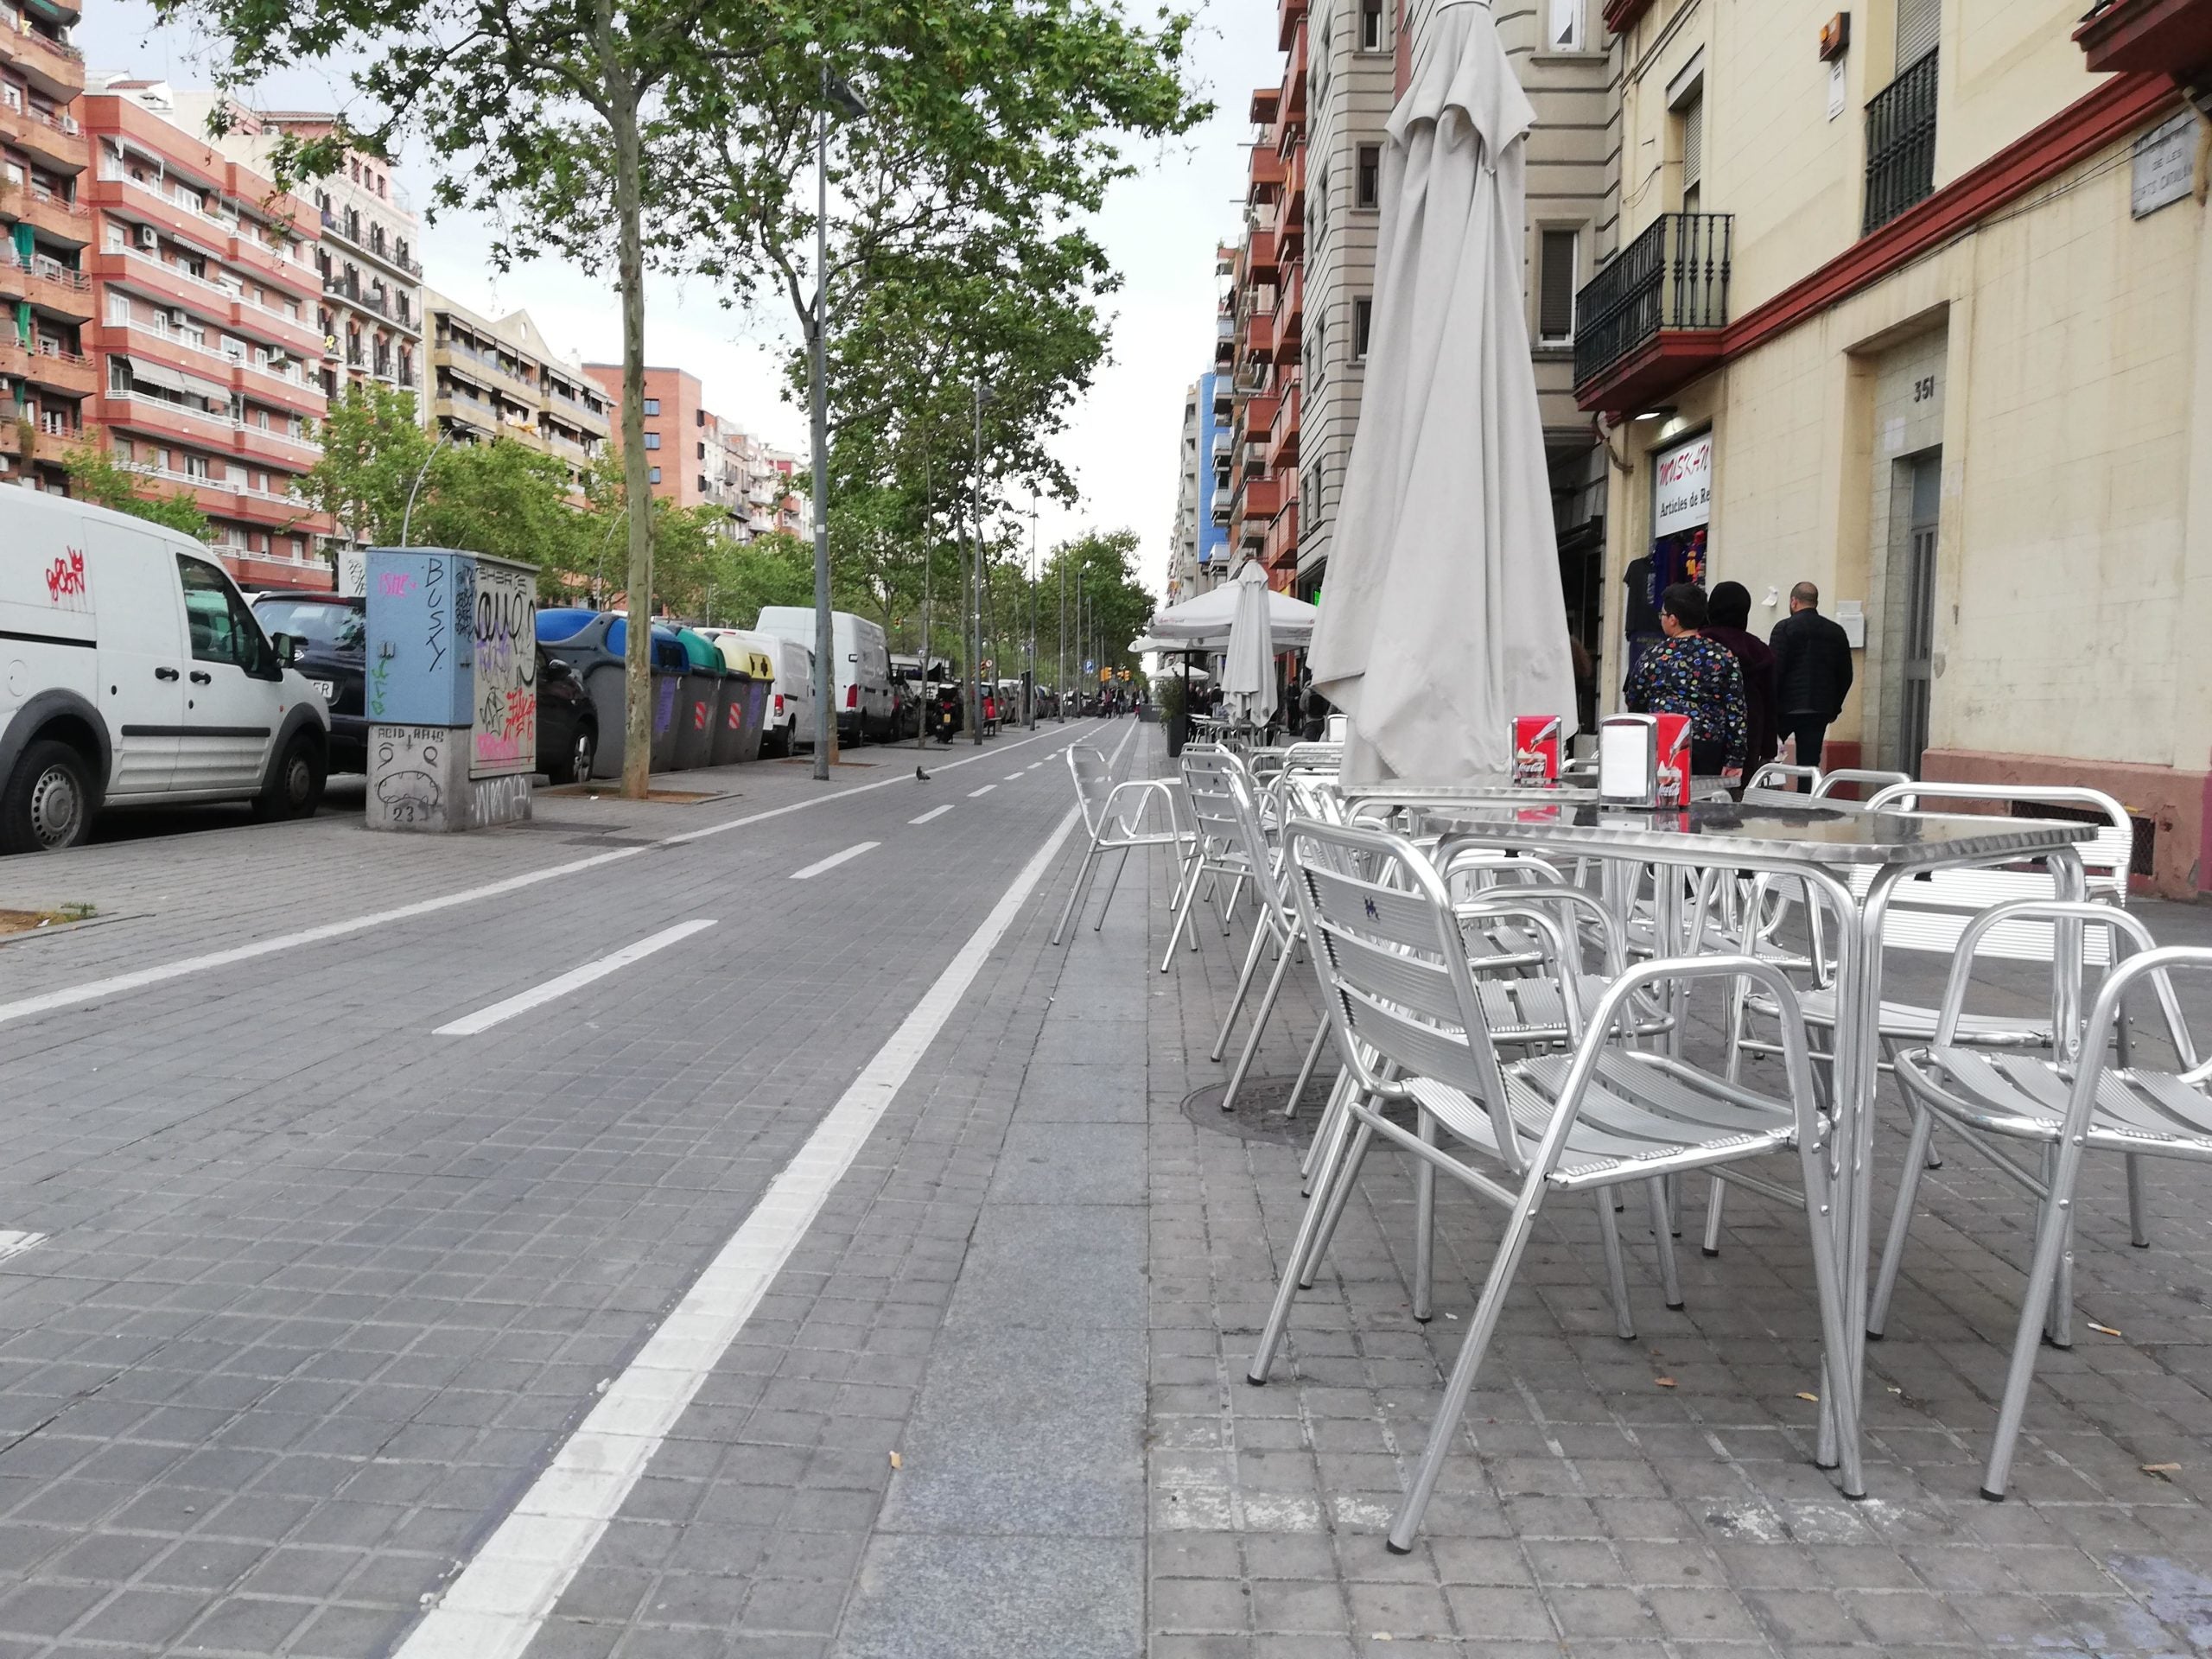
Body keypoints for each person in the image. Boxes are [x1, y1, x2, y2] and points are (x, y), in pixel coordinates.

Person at [1623, 582, 1746, 778]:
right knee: (1702, 801)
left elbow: (1635, 700)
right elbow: (1735, 709)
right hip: (1707, 744)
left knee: (1662, 802)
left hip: (1662, 741)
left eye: (1662, 615)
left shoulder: (1653, 656)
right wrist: (1735, 757)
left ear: (1673, 619)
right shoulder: (1722, 656)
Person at [1768, 580, 1853, 780]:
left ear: (1793, 602)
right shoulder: (1836, 631)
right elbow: (1845, 674)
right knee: (1809, 765)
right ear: (1815, 602)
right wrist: (1834, 708)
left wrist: (1770, 707)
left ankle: (1767, 797)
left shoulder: (1784, 628)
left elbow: (1775, 671)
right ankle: (1807, 804)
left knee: (1769, 757)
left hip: (1785, 708)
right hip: (1818, 709)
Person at [1702, 582, 1778, 772]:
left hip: (1704, 732)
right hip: (1749, 733)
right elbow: (1770, 702)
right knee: (1739, 793)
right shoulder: (1759, 650)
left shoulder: (1699, 645)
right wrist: (1768, 749)